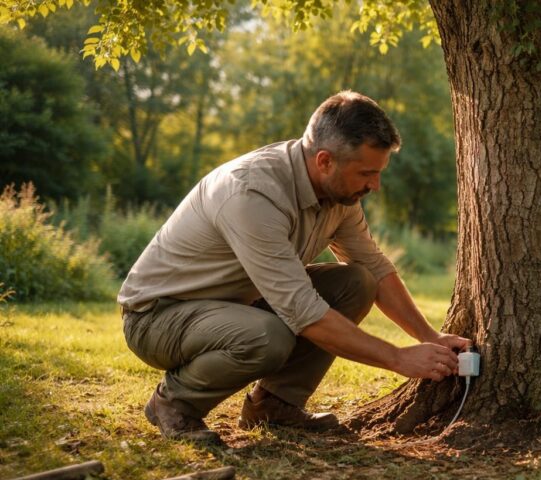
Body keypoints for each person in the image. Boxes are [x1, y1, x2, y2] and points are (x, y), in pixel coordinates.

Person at [118, 90, 469, 444]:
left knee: (356, 281)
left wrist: (429, 336)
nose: (374, 186)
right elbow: (303, 311)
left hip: (237, 304)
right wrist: (397, 358)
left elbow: (373, 267)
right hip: (158, 316)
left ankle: (275, 405)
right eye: (366, 173)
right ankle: (174, 404)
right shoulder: (252, 193)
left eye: (378, 173)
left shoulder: (340, 194)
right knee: (267, 336)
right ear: (324, 161)